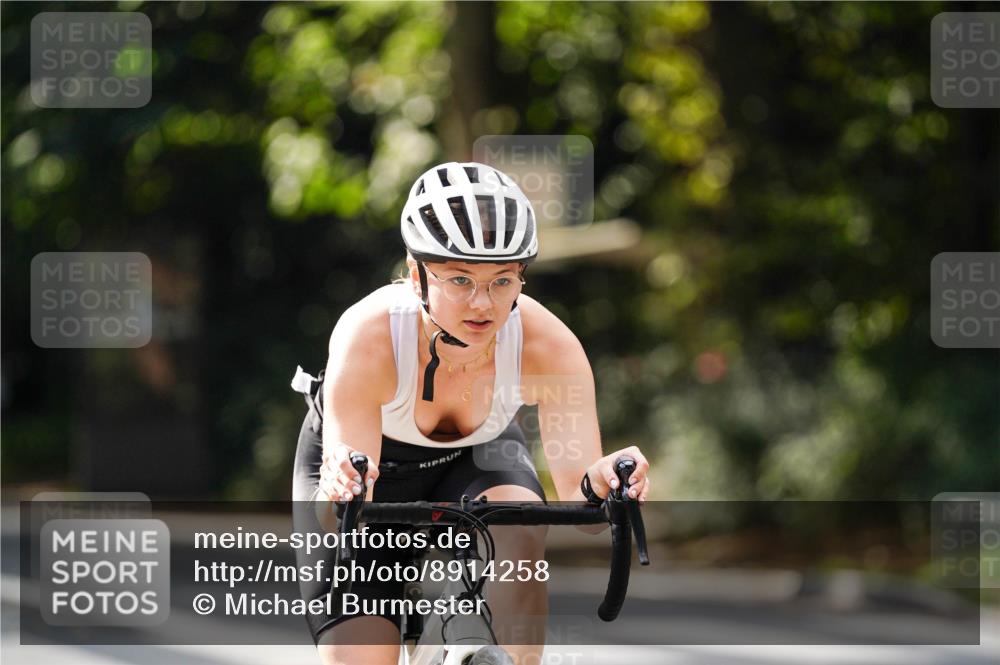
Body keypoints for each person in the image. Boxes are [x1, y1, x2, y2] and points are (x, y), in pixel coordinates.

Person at [292, 161, 651, 665]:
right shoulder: (368, 337)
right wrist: (341, 489)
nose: (483, 303)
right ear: (417, 275)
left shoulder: (548, 345)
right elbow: (338, 517)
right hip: (370, 475)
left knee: (521, 536)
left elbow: (581, 504)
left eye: (503, 281)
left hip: (475, 458)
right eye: (460, 279)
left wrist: (606, 484)